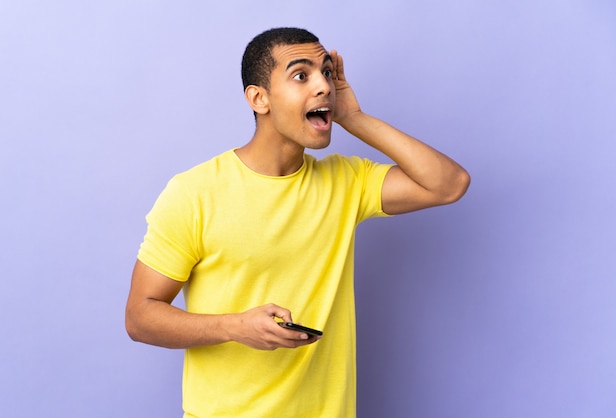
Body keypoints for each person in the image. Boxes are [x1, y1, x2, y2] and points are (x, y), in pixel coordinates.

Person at [125, 27, 470, 418]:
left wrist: (354, 118)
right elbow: (140, 316)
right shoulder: (194, 192)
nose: (323, 85)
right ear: (259, 98)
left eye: (326, 72)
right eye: (301, 75)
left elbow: (448, 184)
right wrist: (235, 326)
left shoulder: (346, 181)